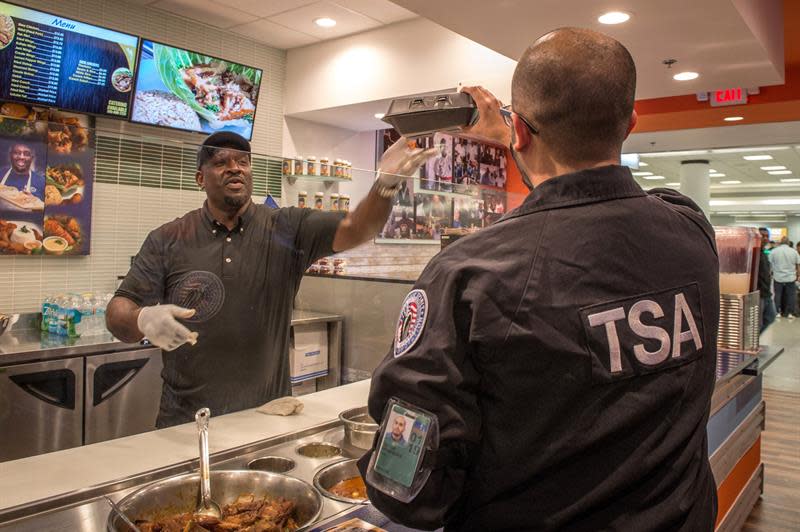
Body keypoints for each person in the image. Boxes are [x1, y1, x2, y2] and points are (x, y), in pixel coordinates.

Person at [358, 28, 719, 531]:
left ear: (521, 132)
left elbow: (409, 489)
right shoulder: (692, 231)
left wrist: (516, 137)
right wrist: (522, 137)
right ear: (631, 123)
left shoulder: (468, 273)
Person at [107, 131, 433, 427]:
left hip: (266, 417)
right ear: (199, 178)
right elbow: (117, 311)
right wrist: (142, 318)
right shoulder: (168, 238)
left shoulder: (286, 227)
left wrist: (385, 184)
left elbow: (359, 228)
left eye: (243, 162)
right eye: (221, 162)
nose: (235, 168)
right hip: (185, 422)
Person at [768, 236, 800, 319]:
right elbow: (798, 265)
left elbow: (769, 264)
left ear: (780, 242)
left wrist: (769, 274)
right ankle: (790, 313)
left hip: (778, 277)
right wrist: (798, 276)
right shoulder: (794, 252)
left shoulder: (774, 251)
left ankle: (777, 312)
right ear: (788, 243)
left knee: (778, 295)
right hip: (791, 277)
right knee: (791, 295)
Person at [758, 228, 776, 332]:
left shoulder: (764, 254)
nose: (765, 238)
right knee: (758, 323)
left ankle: (756, 340)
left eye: (766, 236)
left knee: (771, 316)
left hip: (766, 293)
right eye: (762, 236)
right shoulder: (753, 253)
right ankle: (754, 344)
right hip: (759, 294)